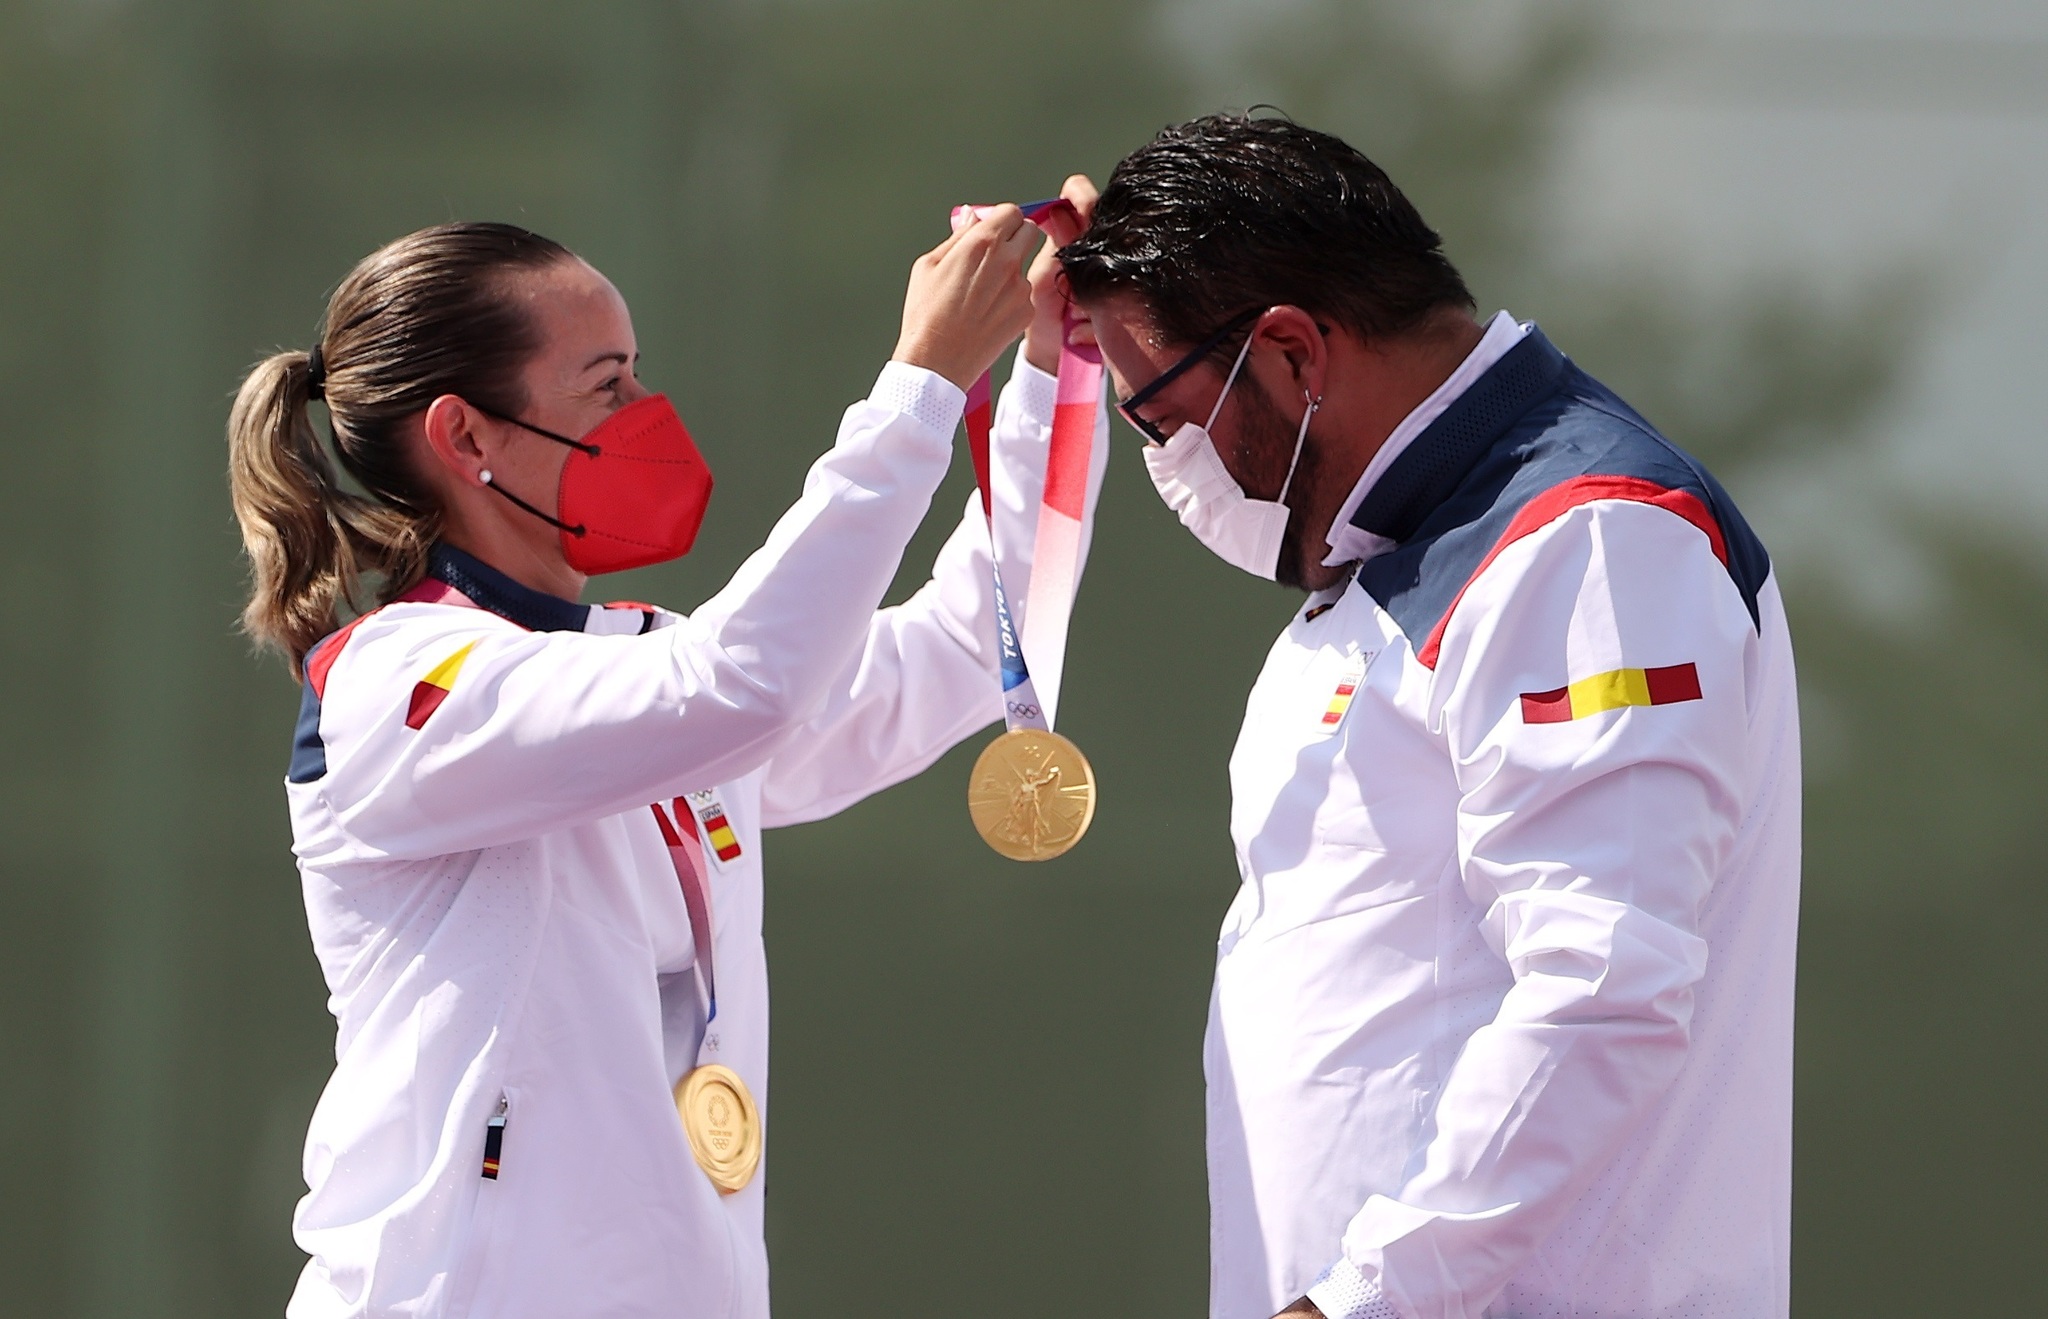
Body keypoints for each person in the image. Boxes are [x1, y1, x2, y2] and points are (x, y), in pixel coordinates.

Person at [226, 205, 1106, 1319]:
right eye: (606, 385)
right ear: (466, 436)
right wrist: (921, 382)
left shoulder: (642, 662)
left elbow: (971, 645)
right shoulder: (400, 686)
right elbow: (742, 682)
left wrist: (1044, 369)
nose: (648, 415)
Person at [1057, 115, 1799, 1319]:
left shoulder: (1586, 536)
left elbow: (1599, 988)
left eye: (1162, 417)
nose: (1176, 460)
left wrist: (1354, 1301)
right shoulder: (1403, 548)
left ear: (1293, 353)